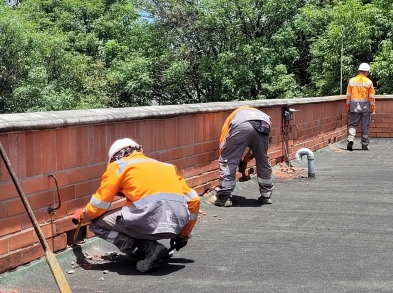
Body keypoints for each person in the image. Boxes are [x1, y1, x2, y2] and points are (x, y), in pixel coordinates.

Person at [71, 138, 201, 273]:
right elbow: (194, 200)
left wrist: (83, 216)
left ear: (115, 157)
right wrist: (182, 234)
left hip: (149, 223)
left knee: (96, 224)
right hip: (174, 226)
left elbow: (100, 204)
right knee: (134, 213)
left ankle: (146, 247)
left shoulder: (119, 166)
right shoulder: (166, 167)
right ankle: (149, 250)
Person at [210, 106, 274, 207]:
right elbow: (256, 149)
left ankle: (224, 197)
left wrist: (231, 158)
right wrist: (244, 161)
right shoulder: (257, 112)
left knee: (228, 160)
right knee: (262, 160)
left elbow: (225, 148)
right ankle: (266, 196)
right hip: (264, 122)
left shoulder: (230, 119)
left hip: (241, 124)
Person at [346, 62, 376, 151]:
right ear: (366, 72)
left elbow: (348, 95)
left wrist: (348, 107)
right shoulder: (369, 82)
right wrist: (373, 109)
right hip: (365, 107)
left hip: (354, 106)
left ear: (359, 71)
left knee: (353, 124)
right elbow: (371, 97)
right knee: (365, 126)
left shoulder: (351, 81)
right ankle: (365, 145)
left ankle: (351, 139)